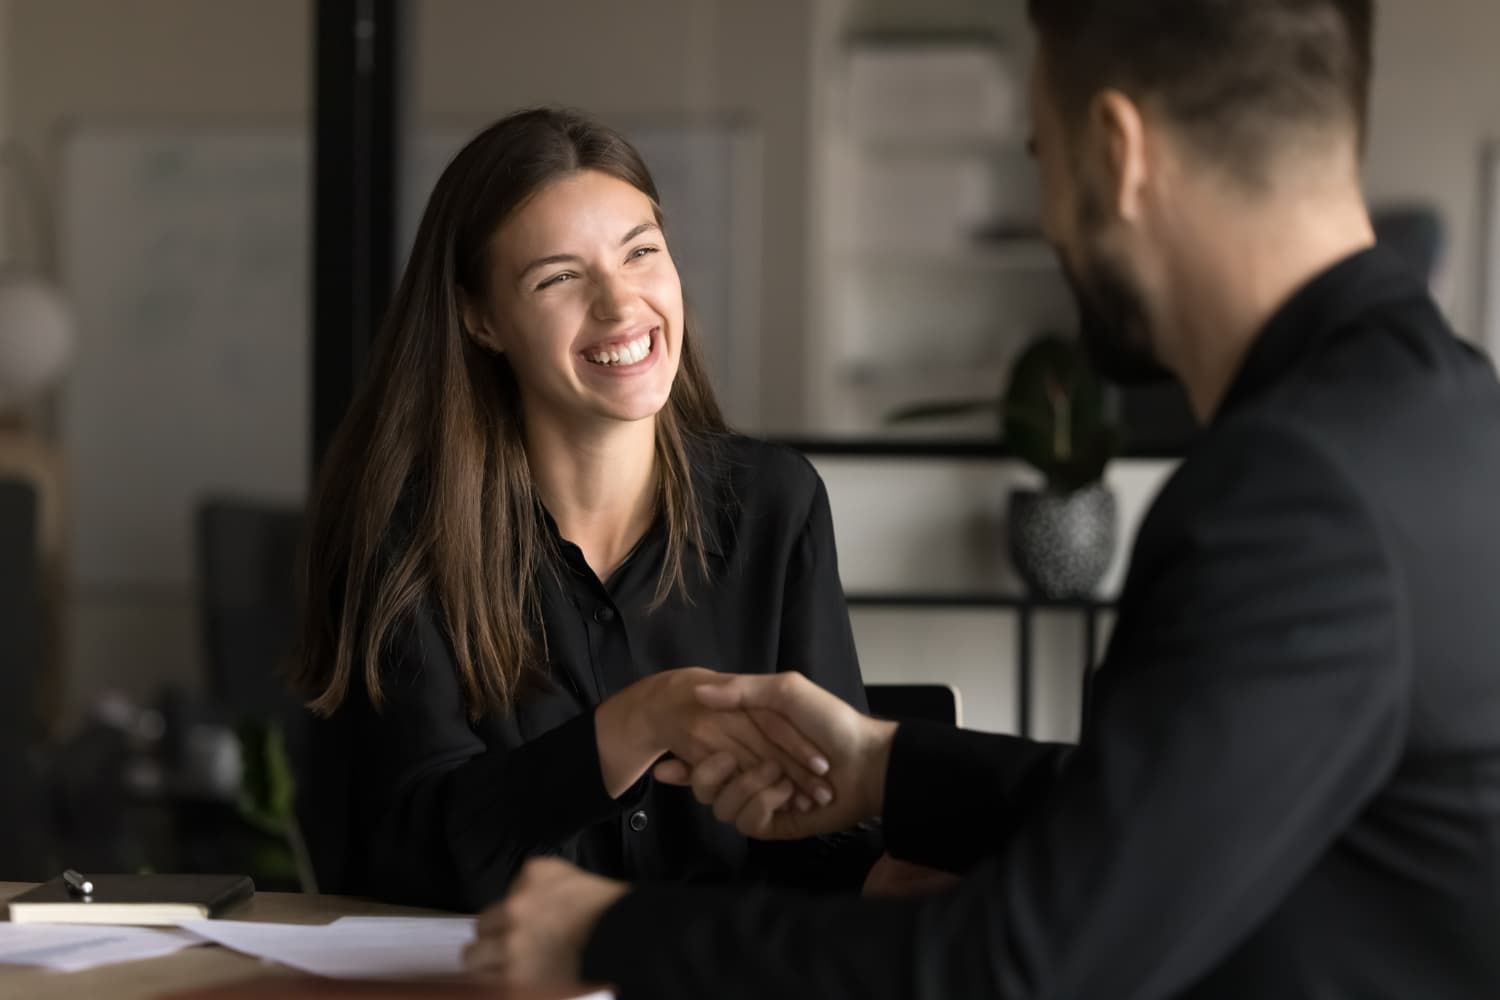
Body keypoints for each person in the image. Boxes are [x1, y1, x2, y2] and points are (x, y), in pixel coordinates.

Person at [464, 1, 1500, 996]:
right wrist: (882, 765)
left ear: (1117, 151)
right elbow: (1172, 812)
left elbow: (1016, 964)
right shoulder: (1446, 414)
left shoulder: (1293, 499)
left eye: (1041, 158)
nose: (1050, 217)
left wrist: (605, 931)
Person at [290, 107, 880, 913]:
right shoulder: (406, 532)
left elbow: (832, 832)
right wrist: (633, 725)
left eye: (642, 252)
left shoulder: (775, 505)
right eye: (559, 277)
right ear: (481, 319)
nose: (619, 304)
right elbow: (406, 857)